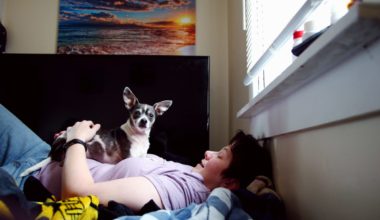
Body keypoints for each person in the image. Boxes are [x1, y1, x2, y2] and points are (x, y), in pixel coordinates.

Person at [0, 104, 270, 212]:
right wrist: (70, 142)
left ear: (230, 183)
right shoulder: (188, 171)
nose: (208, 153)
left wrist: (76, 139)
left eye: (220, 155)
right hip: (43, 155)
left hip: (27, 175)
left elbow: (78, 194)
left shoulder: (179, 189)